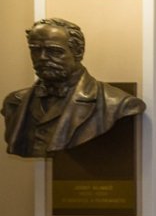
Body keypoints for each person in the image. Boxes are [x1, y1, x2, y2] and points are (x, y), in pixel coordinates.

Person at [4, 17, 145, 157]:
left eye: (54, 51)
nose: (42, 57)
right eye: (35, 50)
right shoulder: (15, 103)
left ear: (78, 52)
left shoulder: (118, 104)